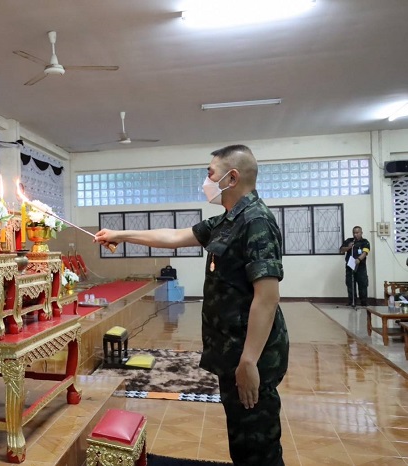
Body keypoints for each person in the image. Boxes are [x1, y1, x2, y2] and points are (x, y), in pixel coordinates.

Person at [95, 144, 288, 466]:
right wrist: (120, 234)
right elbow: (173, 236)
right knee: (242, 443)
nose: (206, 181)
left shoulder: (255, 221)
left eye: (211, 173)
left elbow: (267, 298)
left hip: (250, 355)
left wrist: (249, 361)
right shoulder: (227, 221)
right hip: (231, 351)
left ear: (232, 177)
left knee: (259, 449)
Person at [339, 226, 370, 307]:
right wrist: (349, 247)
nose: (355, 234)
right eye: (354, 233)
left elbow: (365, 252)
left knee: (363, 284)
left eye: (357, 233)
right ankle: (352, 301)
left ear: (361, 233)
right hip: (350, 266)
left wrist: (359, 259)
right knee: (350, 284)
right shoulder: (349, 241)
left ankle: (363, 302)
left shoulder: (365, 242)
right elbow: (341, 249)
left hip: (360, 267)